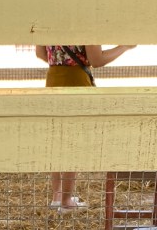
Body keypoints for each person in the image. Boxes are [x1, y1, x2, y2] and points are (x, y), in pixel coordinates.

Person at [35, 45, 135, 212]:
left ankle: (57, 196)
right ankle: (67, 201)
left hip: (53, 79)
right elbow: (97, 60)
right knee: (72, 142)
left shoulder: (48, 19)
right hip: (76, 81)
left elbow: (40, 53)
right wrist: (124, 47)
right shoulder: (86, 23)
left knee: (56, 140)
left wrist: (60, 62)